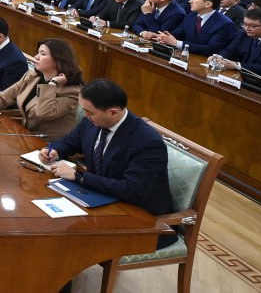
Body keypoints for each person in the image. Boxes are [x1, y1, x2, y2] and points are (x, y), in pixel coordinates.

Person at [40, 80, 175, 249]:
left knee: (66, 238)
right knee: (48, 223)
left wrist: (79, 176)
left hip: (140, 219)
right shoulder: (92, 121)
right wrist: (55, 150)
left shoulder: (147, 141)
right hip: (100, 200)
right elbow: (71, 141)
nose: (85, 116)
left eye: (90, 112)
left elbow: (132, 190)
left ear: (113, 112)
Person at [0, 38, 83, 137]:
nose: (36, 57)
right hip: (23, 134)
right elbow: (7, 95)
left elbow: (43, 113)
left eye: (43, 54)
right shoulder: (32, 76)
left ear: (58, 60)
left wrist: (52, 84)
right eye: (38, 52)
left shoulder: (71, 91)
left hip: (46, 143)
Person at [153, 0, 235, 55]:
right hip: (185, 55)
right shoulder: (191, 16)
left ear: (208, 4)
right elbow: (177, 34)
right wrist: (164, 38)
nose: (190, 1)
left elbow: (211, 49)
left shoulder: (225, 24)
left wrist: (176, 43)